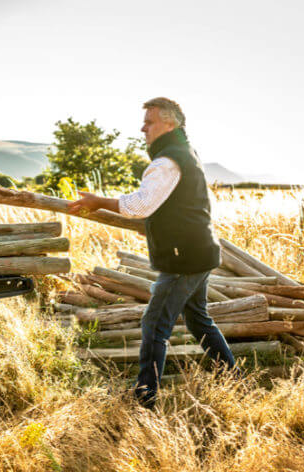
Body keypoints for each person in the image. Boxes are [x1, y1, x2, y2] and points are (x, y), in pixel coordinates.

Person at [68, 97, 241, 409]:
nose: (142, 128)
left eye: (149, 122)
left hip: (184, 257)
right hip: (198, 251)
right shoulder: (185, 153)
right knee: (199, 320)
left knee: (154, 324)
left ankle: (144, 398)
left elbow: (140, 205)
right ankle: (234, 380)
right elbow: (170, 206)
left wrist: (98, 202)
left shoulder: (167, 161)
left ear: (170, 123)